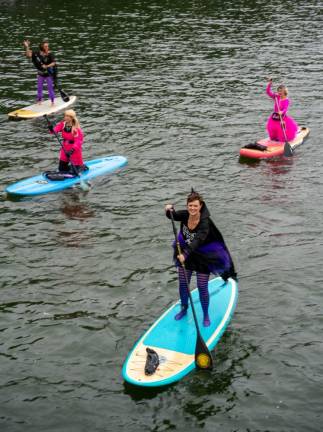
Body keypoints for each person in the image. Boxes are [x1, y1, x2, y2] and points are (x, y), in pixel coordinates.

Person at [165, 190, 237, 327]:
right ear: (187, 206)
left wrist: (185, 254)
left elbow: (198, 240)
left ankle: (205, 314)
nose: (192, 208)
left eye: (195, 206)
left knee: (202, 286)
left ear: (201, 206)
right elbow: (172, 216)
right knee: (183, 283)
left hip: (204, 256)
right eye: (190, 205)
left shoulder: (205, 223)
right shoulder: (185, 215)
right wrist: (168, 210)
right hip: (185, 252)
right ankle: (184, 308)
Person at [48, 109, 87, 174]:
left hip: (74, 150)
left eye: (67, 116)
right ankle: (70, 169)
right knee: (61, 168)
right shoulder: (63, 124)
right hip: (65, 148)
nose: (65, 117)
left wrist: (72, 150)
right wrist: (51, 129)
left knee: (74, 172)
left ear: (71, 118)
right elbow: (55, 131)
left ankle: (81, 167)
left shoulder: (76, 129)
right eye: (65, 115)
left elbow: (78, 141)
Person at [23, 39, 56, 105]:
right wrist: (27, 46)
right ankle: (39, 101)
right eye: (46, 46)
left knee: (50, 89)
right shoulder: (36, 54)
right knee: (39, 89)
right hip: (40, 74)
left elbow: (53, 63)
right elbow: (28, 55)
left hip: (48, 74)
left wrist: (47, 66)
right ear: (42, 47)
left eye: (47, 46)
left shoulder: (50, 54)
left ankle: (52, 102)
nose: (47, 47)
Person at [266, 78, 299, 142]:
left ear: (284, 92)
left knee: (282, 129)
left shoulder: (286, 100)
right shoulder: (276, 97)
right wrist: (269, 84)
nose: (279, 92)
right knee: (272, 128)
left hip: (282, 117)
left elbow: (285, 109)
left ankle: (283, 139)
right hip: (275, 116)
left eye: (281, 91)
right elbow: (268, 92)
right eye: (278, 91)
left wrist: (282, 112)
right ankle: (275, 137)